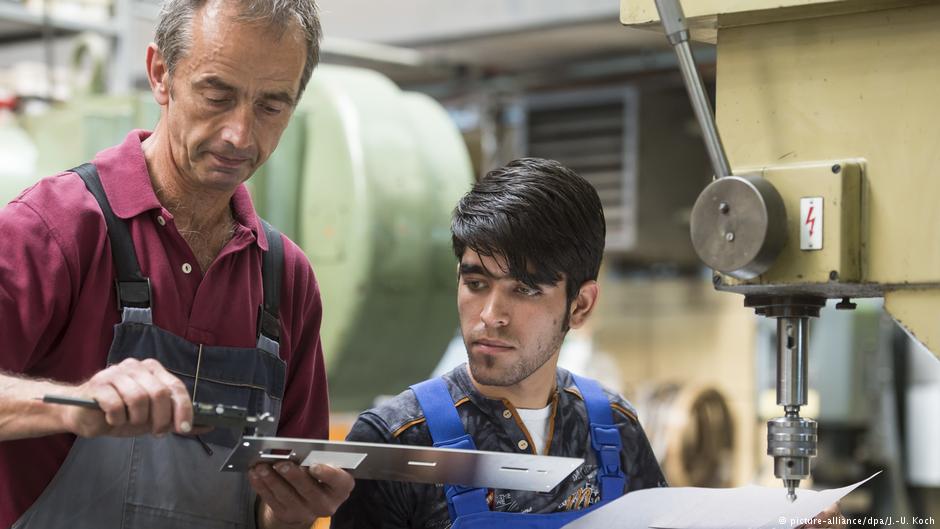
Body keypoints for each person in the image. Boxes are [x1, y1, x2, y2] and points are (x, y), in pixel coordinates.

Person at [0, 1, 353, 527]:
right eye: (217, 96)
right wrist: (74, 403)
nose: (240, 134)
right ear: (161, 75)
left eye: (271, 107)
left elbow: (279, 497)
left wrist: (291, 509)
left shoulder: (286, 279)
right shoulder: (55, 227)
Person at [331, 158, 668, 529]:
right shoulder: (398, 442)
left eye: (524, 289)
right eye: (476, 284)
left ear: (580, 305)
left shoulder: (616, 430)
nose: (490, 315)